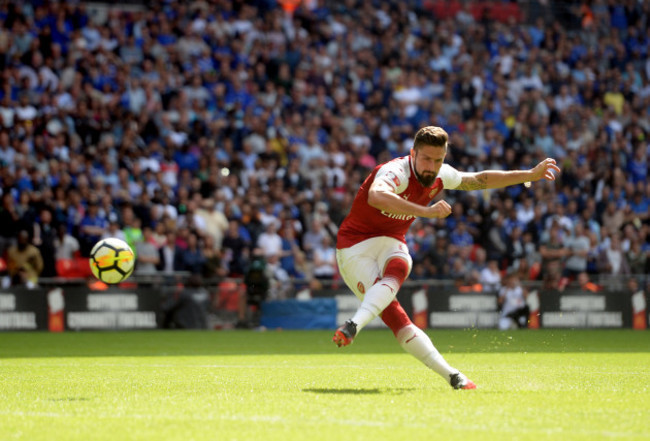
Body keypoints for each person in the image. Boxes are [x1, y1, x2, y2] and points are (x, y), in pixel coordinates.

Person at [333, 126, 560, 390]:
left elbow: (481, 179)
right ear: (412, 154)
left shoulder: (441, 174)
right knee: (396, 316)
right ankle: (355, 325)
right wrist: (425, 212)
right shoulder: (396, 171)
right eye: (426, 159)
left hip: (390, 241)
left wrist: (529, 174)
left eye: (438, 160)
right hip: (354, 247)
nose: (432, 166)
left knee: (402, 263)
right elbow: (376, 196)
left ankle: (453, 376)